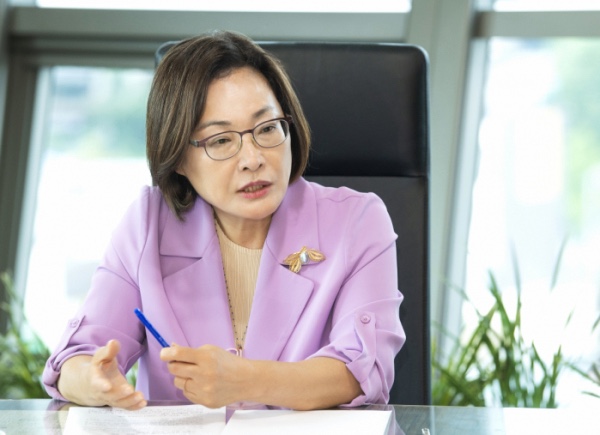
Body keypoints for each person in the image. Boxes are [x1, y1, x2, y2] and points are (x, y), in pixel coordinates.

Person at [42, 30, 405, 411]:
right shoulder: (148, 225)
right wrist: (93, 381)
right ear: (178, 158)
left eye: (267, 129)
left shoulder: (357, 221)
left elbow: (362, 371)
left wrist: (244, 380)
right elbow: (76, 359)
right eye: (220, 141)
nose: (253, 159)